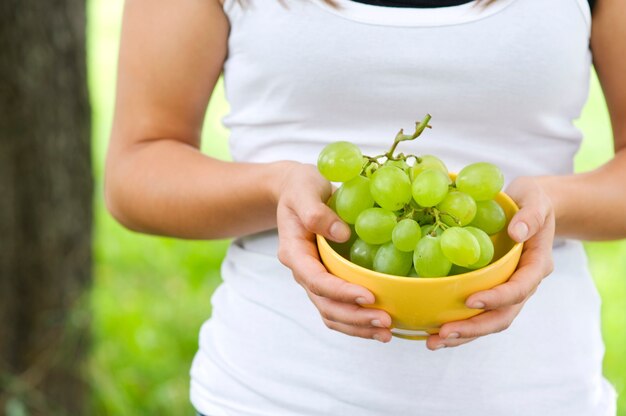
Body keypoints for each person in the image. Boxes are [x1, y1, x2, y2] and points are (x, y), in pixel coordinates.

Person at [105, 0, 624, 414]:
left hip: (540, 397)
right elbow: (136, 170)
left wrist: (552, 203)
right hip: (272, 396)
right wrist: (275, 188)